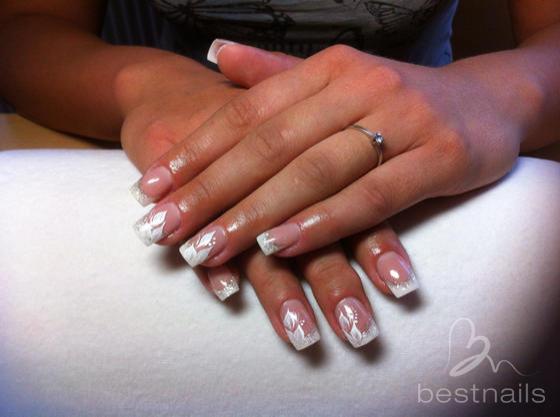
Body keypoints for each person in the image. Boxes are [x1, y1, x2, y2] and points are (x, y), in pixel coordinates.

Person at [0, 0, 559, 352]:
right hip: (192, 120)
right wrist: (142, 84)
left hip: (416, 133)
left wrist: (496, 93)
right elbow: (27, 27)